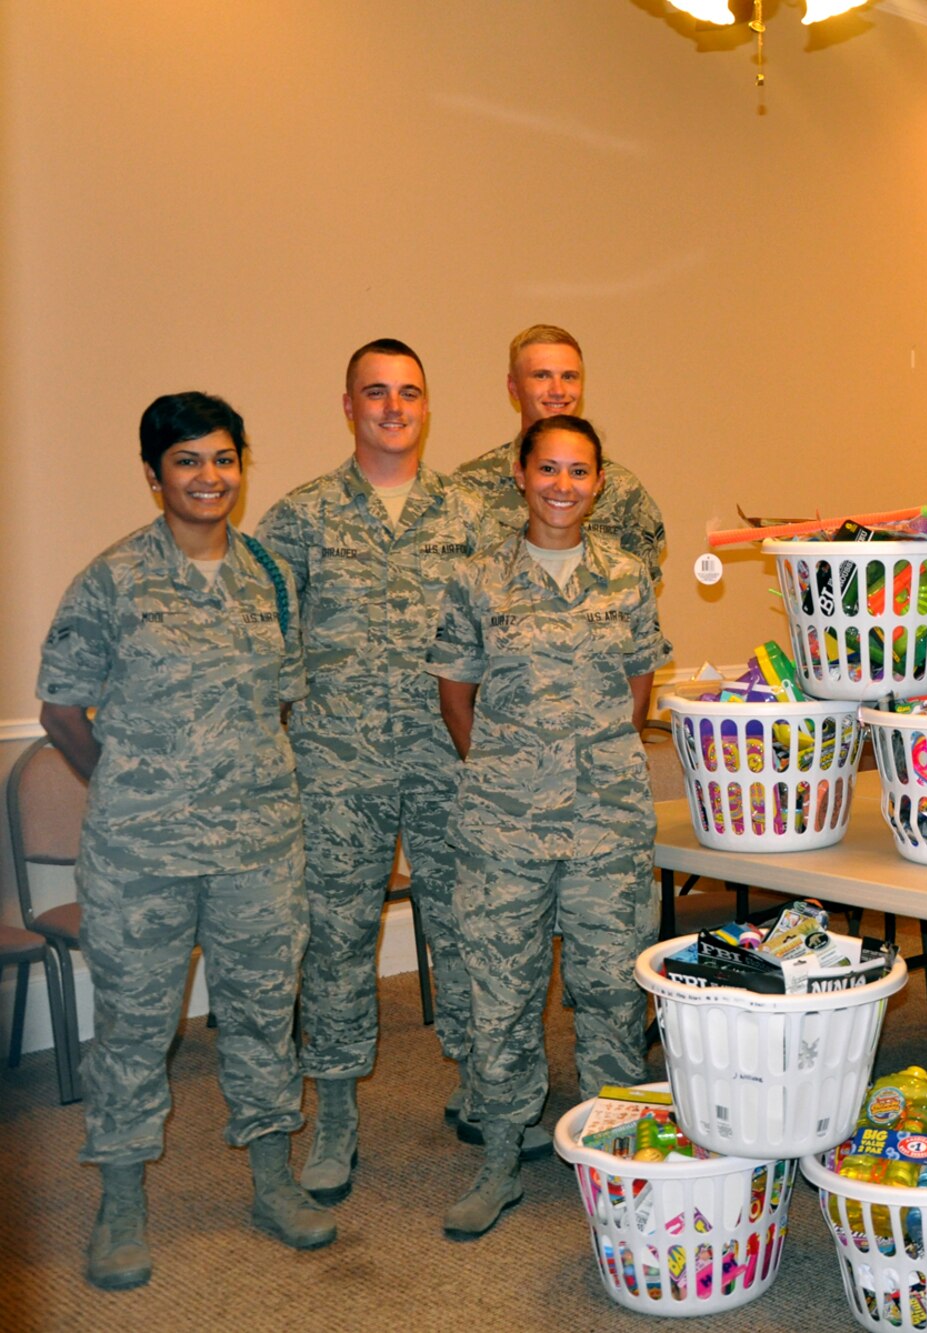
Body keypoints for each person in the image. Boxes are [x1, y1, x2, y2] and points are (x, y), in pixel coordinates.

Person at [38, 392, 336, 1289]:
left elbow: (280, 698)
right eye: (187, 461)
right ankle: (121, 1204)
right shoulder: (112, 579)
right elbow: (61, 713)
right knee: (134, 1030)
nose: (210, 477)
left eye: (223, 458)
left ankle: (272, 1183)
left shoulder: (272, 575)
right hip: (142, 858)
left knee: (261, 1020)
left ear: (242, 465)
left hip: (259, 849)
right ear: (154, 473)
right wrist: (138, 786)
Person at [257, 340, 523, 1206]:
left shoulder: (474, 515)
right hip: (339, 766)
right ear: (348, 406)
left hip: (450, 758)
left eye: (409, 392)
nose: (394, 407)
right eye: (377, 392)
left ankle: (484, 1084)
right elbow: (266, 646)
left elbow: (503, 638)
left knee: (470, 924)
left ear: (427, 405)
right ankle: (335, 1116)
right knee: (334, 940)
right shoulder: (300, 518)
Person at [428, 414, 668, 1239]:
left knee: (608, 989)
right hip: (503, 828)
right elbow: (455, 693)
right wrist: (505, 767)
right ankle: (501, 1155)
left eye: (580, 471)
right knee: (502, 996)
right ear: (522, 476)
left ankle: (619, 1156)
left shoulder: (629, 576)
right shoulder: (476, 578)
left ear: (597, 483)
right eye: (549, 469)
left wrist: (588, 759)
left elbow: (638, 688)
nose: (564, 485)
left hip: (606, 823)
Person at [454, 324, 666, 575]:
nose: (558, 391)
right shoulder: (470, 486)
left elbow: (638, 596)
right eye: (541, 376)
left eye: (569, 377)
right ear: (513, 387)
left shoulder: (623, 491)